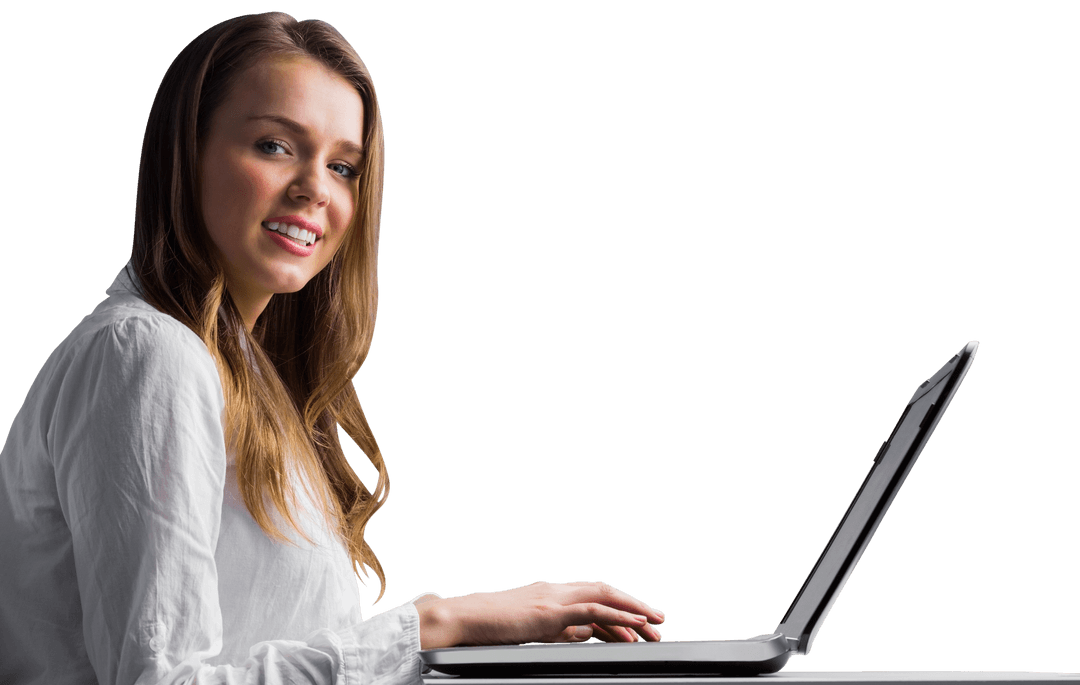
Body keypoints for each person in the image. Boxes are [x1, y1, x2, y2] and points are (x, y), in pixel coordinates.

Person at [0, 11, 664, 685]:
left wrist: (477, 640)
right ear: (186, 151)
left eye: (343, 166)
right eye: (275, 146)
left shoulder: (241, 373)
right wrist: (436, 624)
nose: (316, 188)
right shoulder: (146, 354)